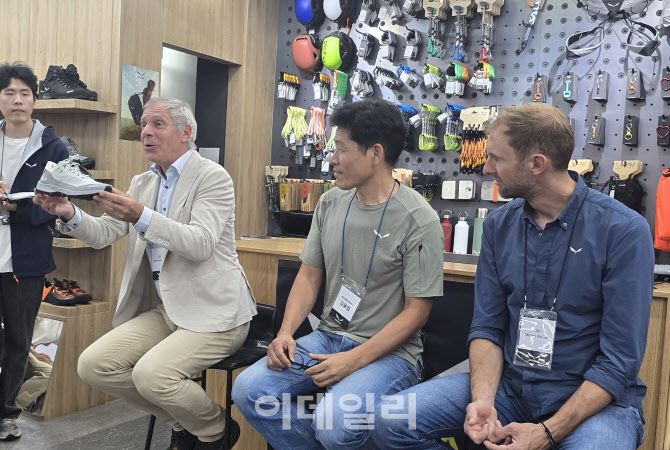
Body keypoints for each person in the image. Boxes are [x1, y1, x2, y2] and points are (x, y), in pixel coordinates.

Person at [373, 102, 654, 449]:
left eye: (496, 158)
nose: (486, 168)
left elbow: (619, 362)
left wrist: (547, 432)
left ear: (536, 164)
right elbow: (487, 328)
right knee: (391, 420)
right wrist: (483, 400)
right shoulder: (499, 226)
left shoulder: (623, 231)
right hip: (512, 389)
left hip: (595, 405)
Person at [34, 97, 257, 450]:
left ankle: (214, 430)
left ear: (186, 132)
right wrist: (68, 212)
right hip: (167, 310)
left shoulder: (213, 177)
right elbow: (105, 233)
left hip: (216, 313)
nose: (146, 133)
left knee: (152, 375)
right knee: (94, 365)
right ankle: (190, 424)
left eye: (158, 124)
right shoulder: (143, 182)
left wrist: (141, 216)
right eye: (143, 126)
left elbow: (200, 244)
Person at [232, 99, 444, 449]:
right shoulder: (330, 203)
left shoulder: (419, 219)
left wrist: (353, 360)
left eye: (342, 149)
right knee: (249, 390)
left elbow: (417, 312)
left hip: (391, 355)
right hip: (329, 338)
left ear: (375, 154)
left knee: (334, 423)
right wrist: (285, 333)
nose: (332, 159)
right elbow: (309, 276)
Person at [0, 62, 69, 441]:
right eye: (9, 92)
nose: (17, 100)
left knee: (18, 340)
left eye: (24, 93)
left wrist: (16, 208)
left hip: (26, 261)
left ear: (35, 100)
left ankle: (7, 413)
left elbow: (57, 205)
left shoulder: (52, 147)